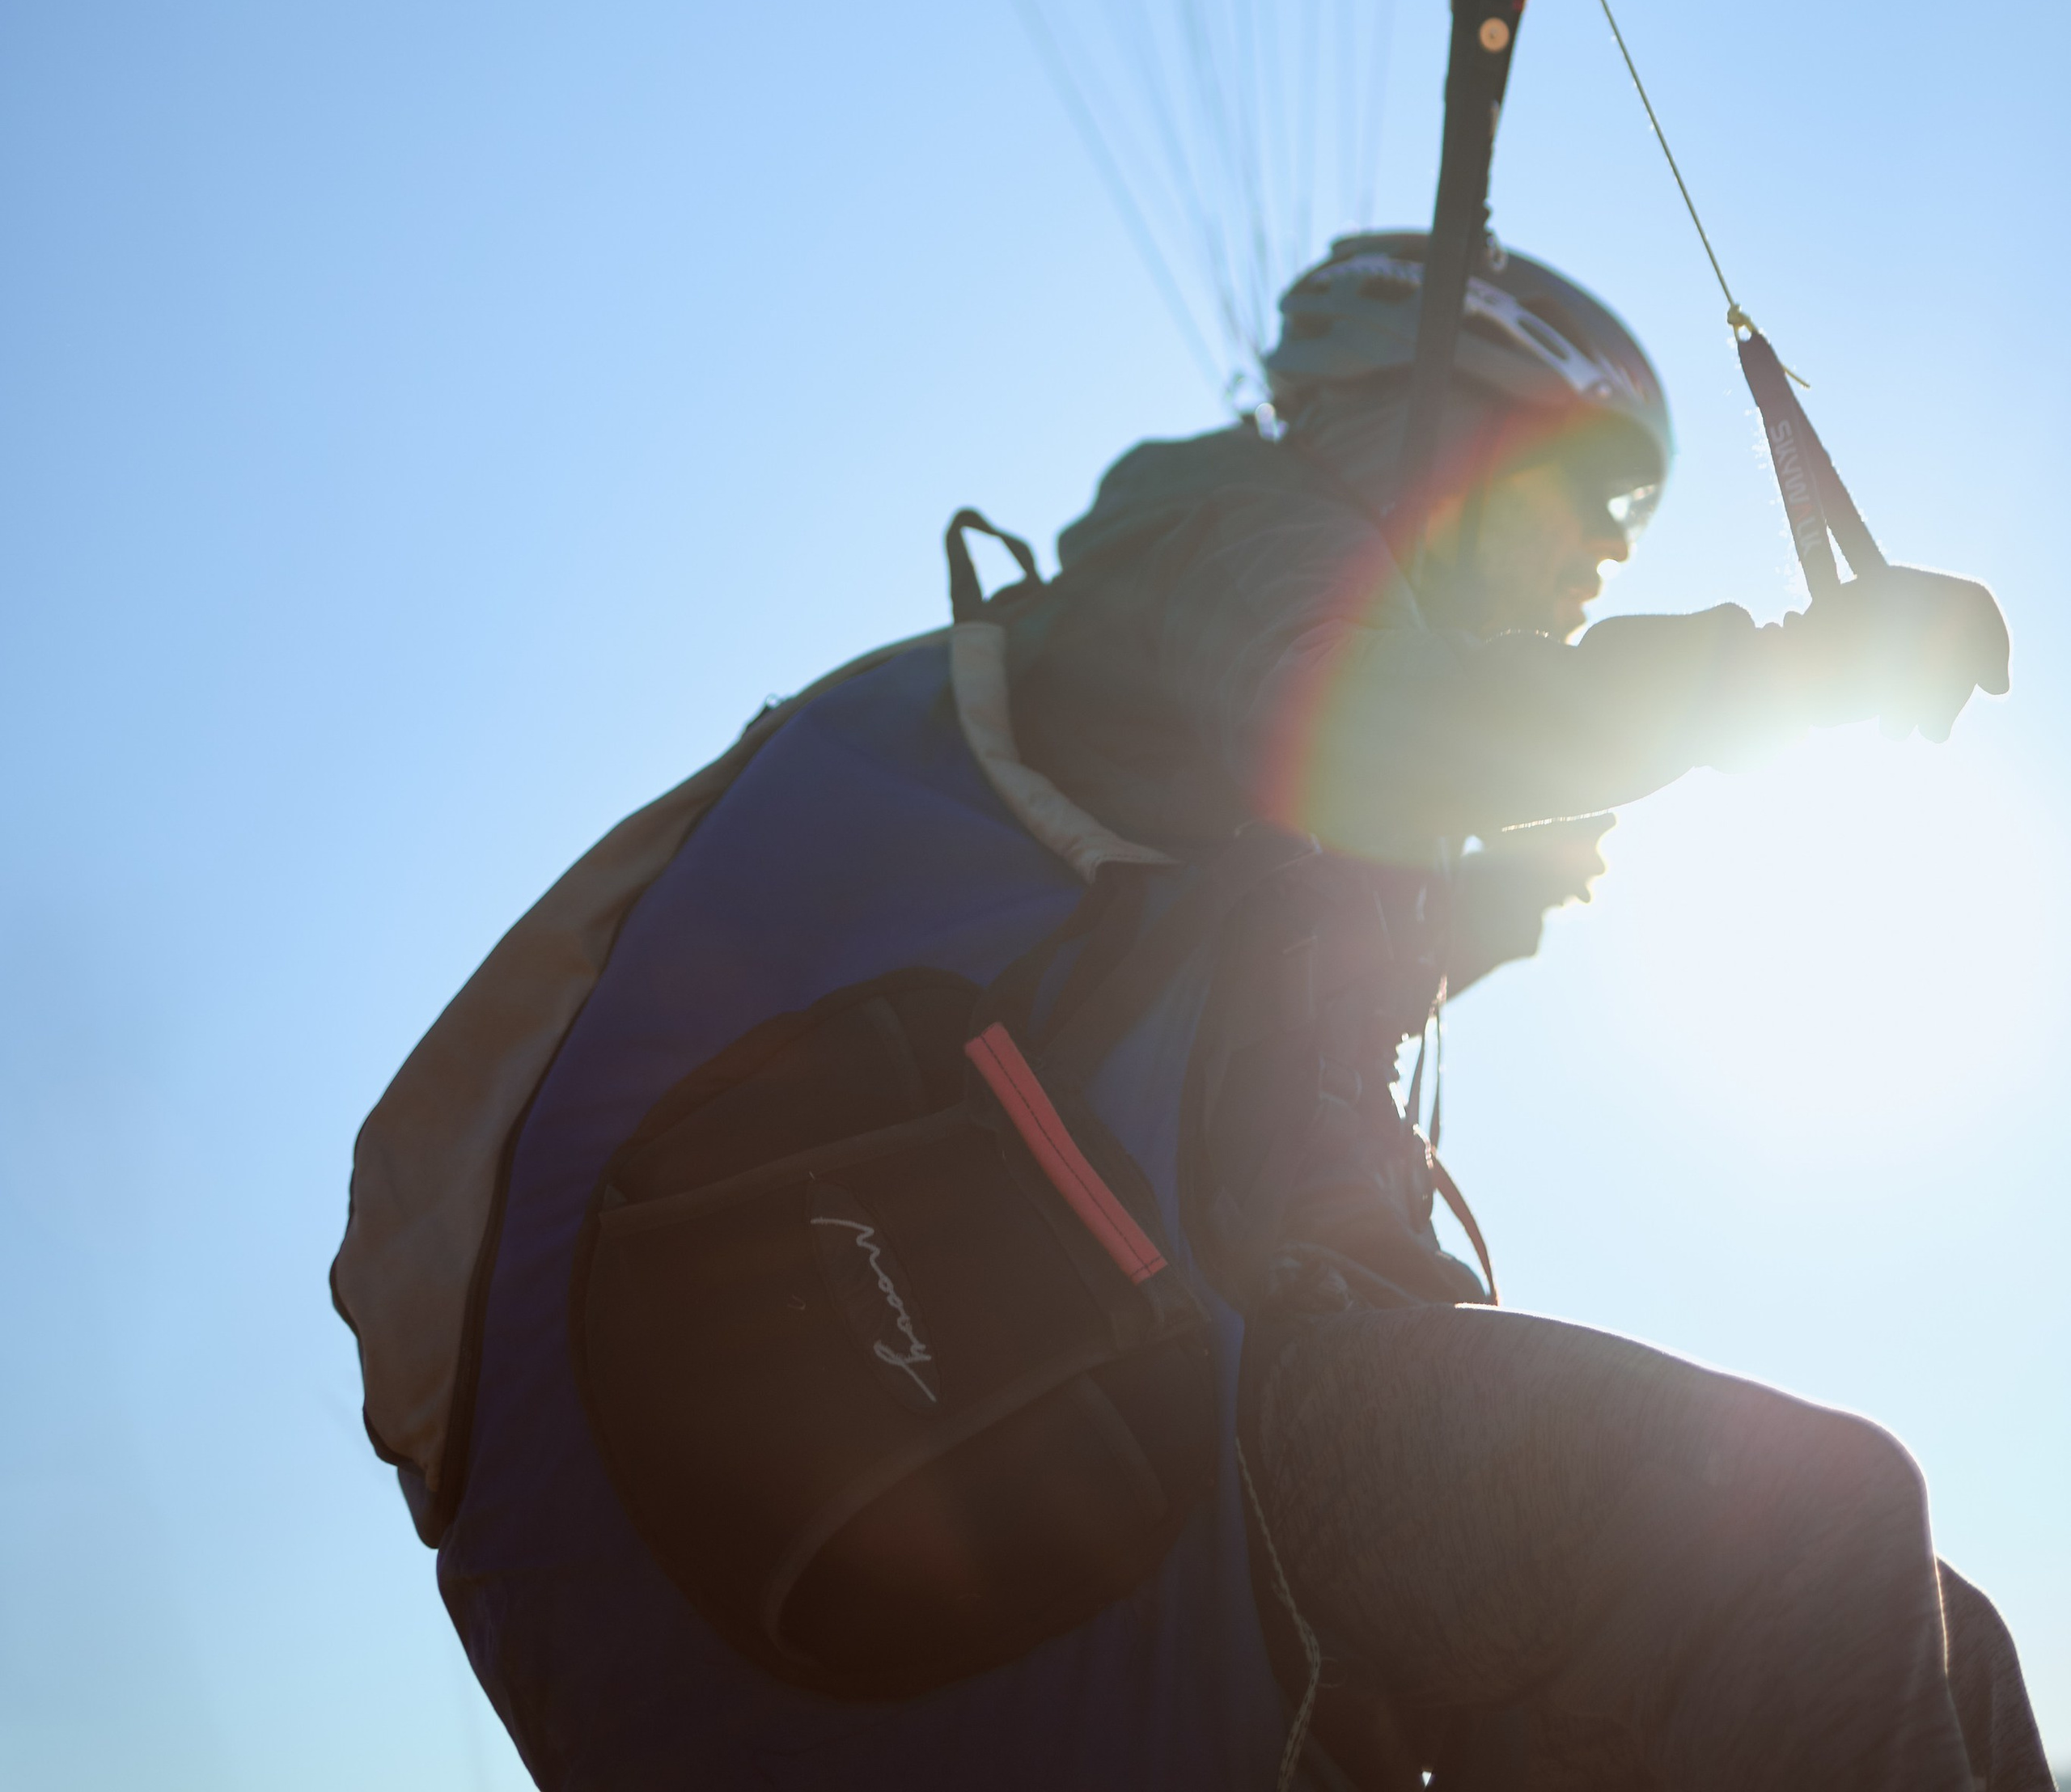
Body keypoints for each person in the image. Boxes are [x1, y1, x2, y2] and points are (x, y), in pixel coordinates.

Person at [334, 230, 2039, 1792]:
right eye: (1588, 486)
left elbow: (1217, 937)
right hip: (1129, 1403)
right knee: (1800, 1530)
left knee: (1945, 1650)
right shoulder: (1226, 525)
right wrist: (1778, 676)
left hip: (1211, 1389)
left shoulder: (1219, 671)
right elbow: (1377, 726)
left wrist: (1473, 912)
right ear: (1437, 424)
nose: (1609, 548)